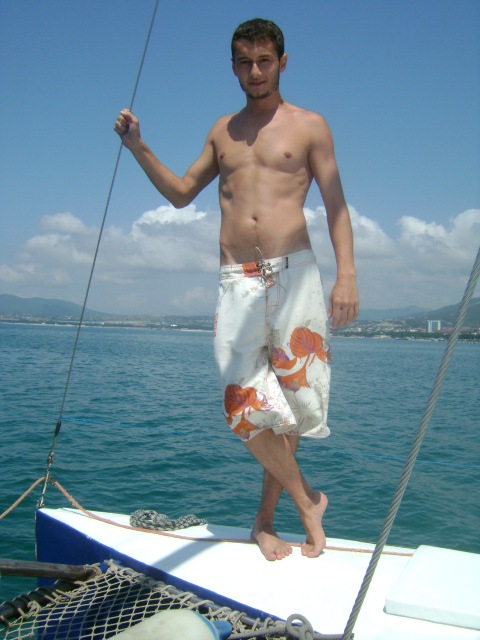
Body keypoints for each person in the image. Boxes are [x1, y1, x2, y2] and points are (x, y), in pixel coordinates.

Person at [114, 18, 359, 561]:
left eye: (264, 61)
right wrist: (137, 146)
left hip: (295, 274)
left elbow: (336, 204)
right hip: (237, 281)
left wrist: (347, 275)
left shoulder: (310, 126)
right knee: (242, 406)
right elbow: (182, 193)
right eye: (245, 62)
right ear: (233, 67)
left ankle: (264, 522)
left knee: (293, 405)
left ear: (282, 63)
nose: (255, 72)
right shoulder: (222, 131)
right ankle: (308, 500)